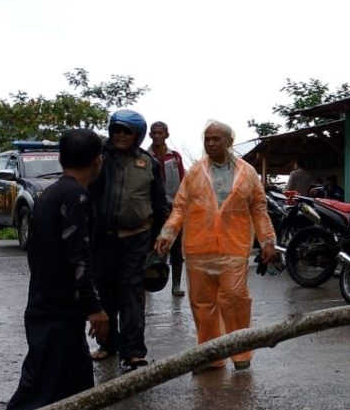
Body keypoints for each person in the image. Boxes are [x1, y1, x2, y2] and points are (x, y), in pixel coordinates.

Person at [0, 129, 109, 410]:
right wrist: (94, 308)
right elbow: (78, 258)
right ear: (97, 161)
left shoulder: (48, 195)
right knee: (37, 397)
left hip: (49, 309)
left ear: (61, 158)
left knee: (75, 392)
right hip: (56, 315)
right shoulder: (75, 198)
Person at [153, 121, 277, 371]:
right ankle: (210, 356)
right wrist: (168, 233)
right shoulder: (196, 172)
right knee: (202, 306)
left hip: (234, 248)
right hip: (198, 249)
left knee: (235, 299)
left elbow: (259, 209)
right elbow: (180, 207)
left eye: (215, 139)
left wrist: (267, 241)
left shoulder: (248, 173)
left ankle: (241, 353)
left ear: (228, 141)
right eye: (207, 139)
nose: (210, 143)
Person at [89, 110, 169, 371]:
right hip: (104, 239)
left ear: (137, 135)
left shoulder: (149, 163)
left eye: (127, 131)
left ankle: (134, 352)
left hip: (137, 239)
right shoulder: (99, 159)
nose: (121, 135)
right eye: (117, 130)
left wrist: (160, 240)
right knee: (106, 294)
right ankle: (108, 344)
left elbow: (159, 204)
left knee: (132, 296)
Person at [148, 121, 187, 297]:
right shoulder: (145, 156)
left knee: (176, 249)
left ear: (166, 135)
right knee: (150, 247)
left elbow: (183, 181)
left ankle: (176, 285)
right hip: (152, 209)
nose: (157, 136)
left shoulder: (175, 157)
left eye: (160, 133)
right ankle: (147, 283)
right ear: (150, 135)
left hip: (174, 208)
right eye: (154, 133)